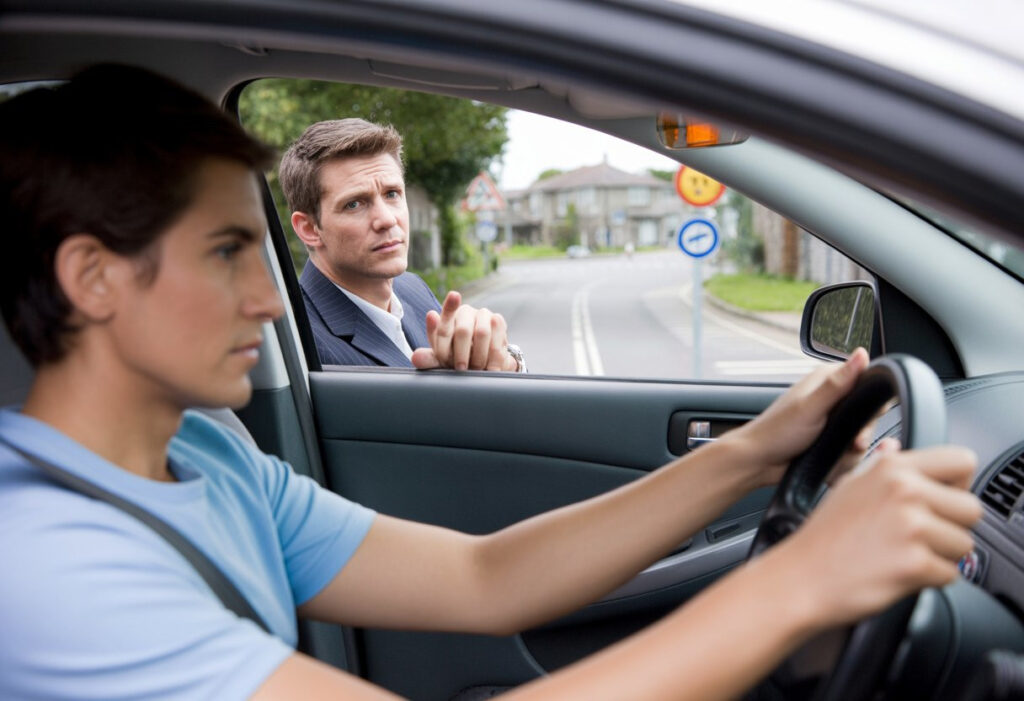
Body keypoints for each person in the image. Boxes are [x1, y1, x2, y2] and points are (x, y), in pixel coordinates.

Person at [0, 65, 981, 700]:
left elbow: (486, 577)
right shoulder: (40, 564)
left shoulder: (205, 449)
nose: (269, 298)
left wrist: (752, 452)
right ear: (92, 276)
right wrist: (800, 583)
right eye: (226, 251)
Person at [280, 118, 524, 372]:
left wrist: (505, 363)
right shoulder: (298, 341)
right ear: (309, 229)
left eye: (392, 194)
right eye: (354, 204)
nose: (387, 219)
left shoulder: (412, 287)